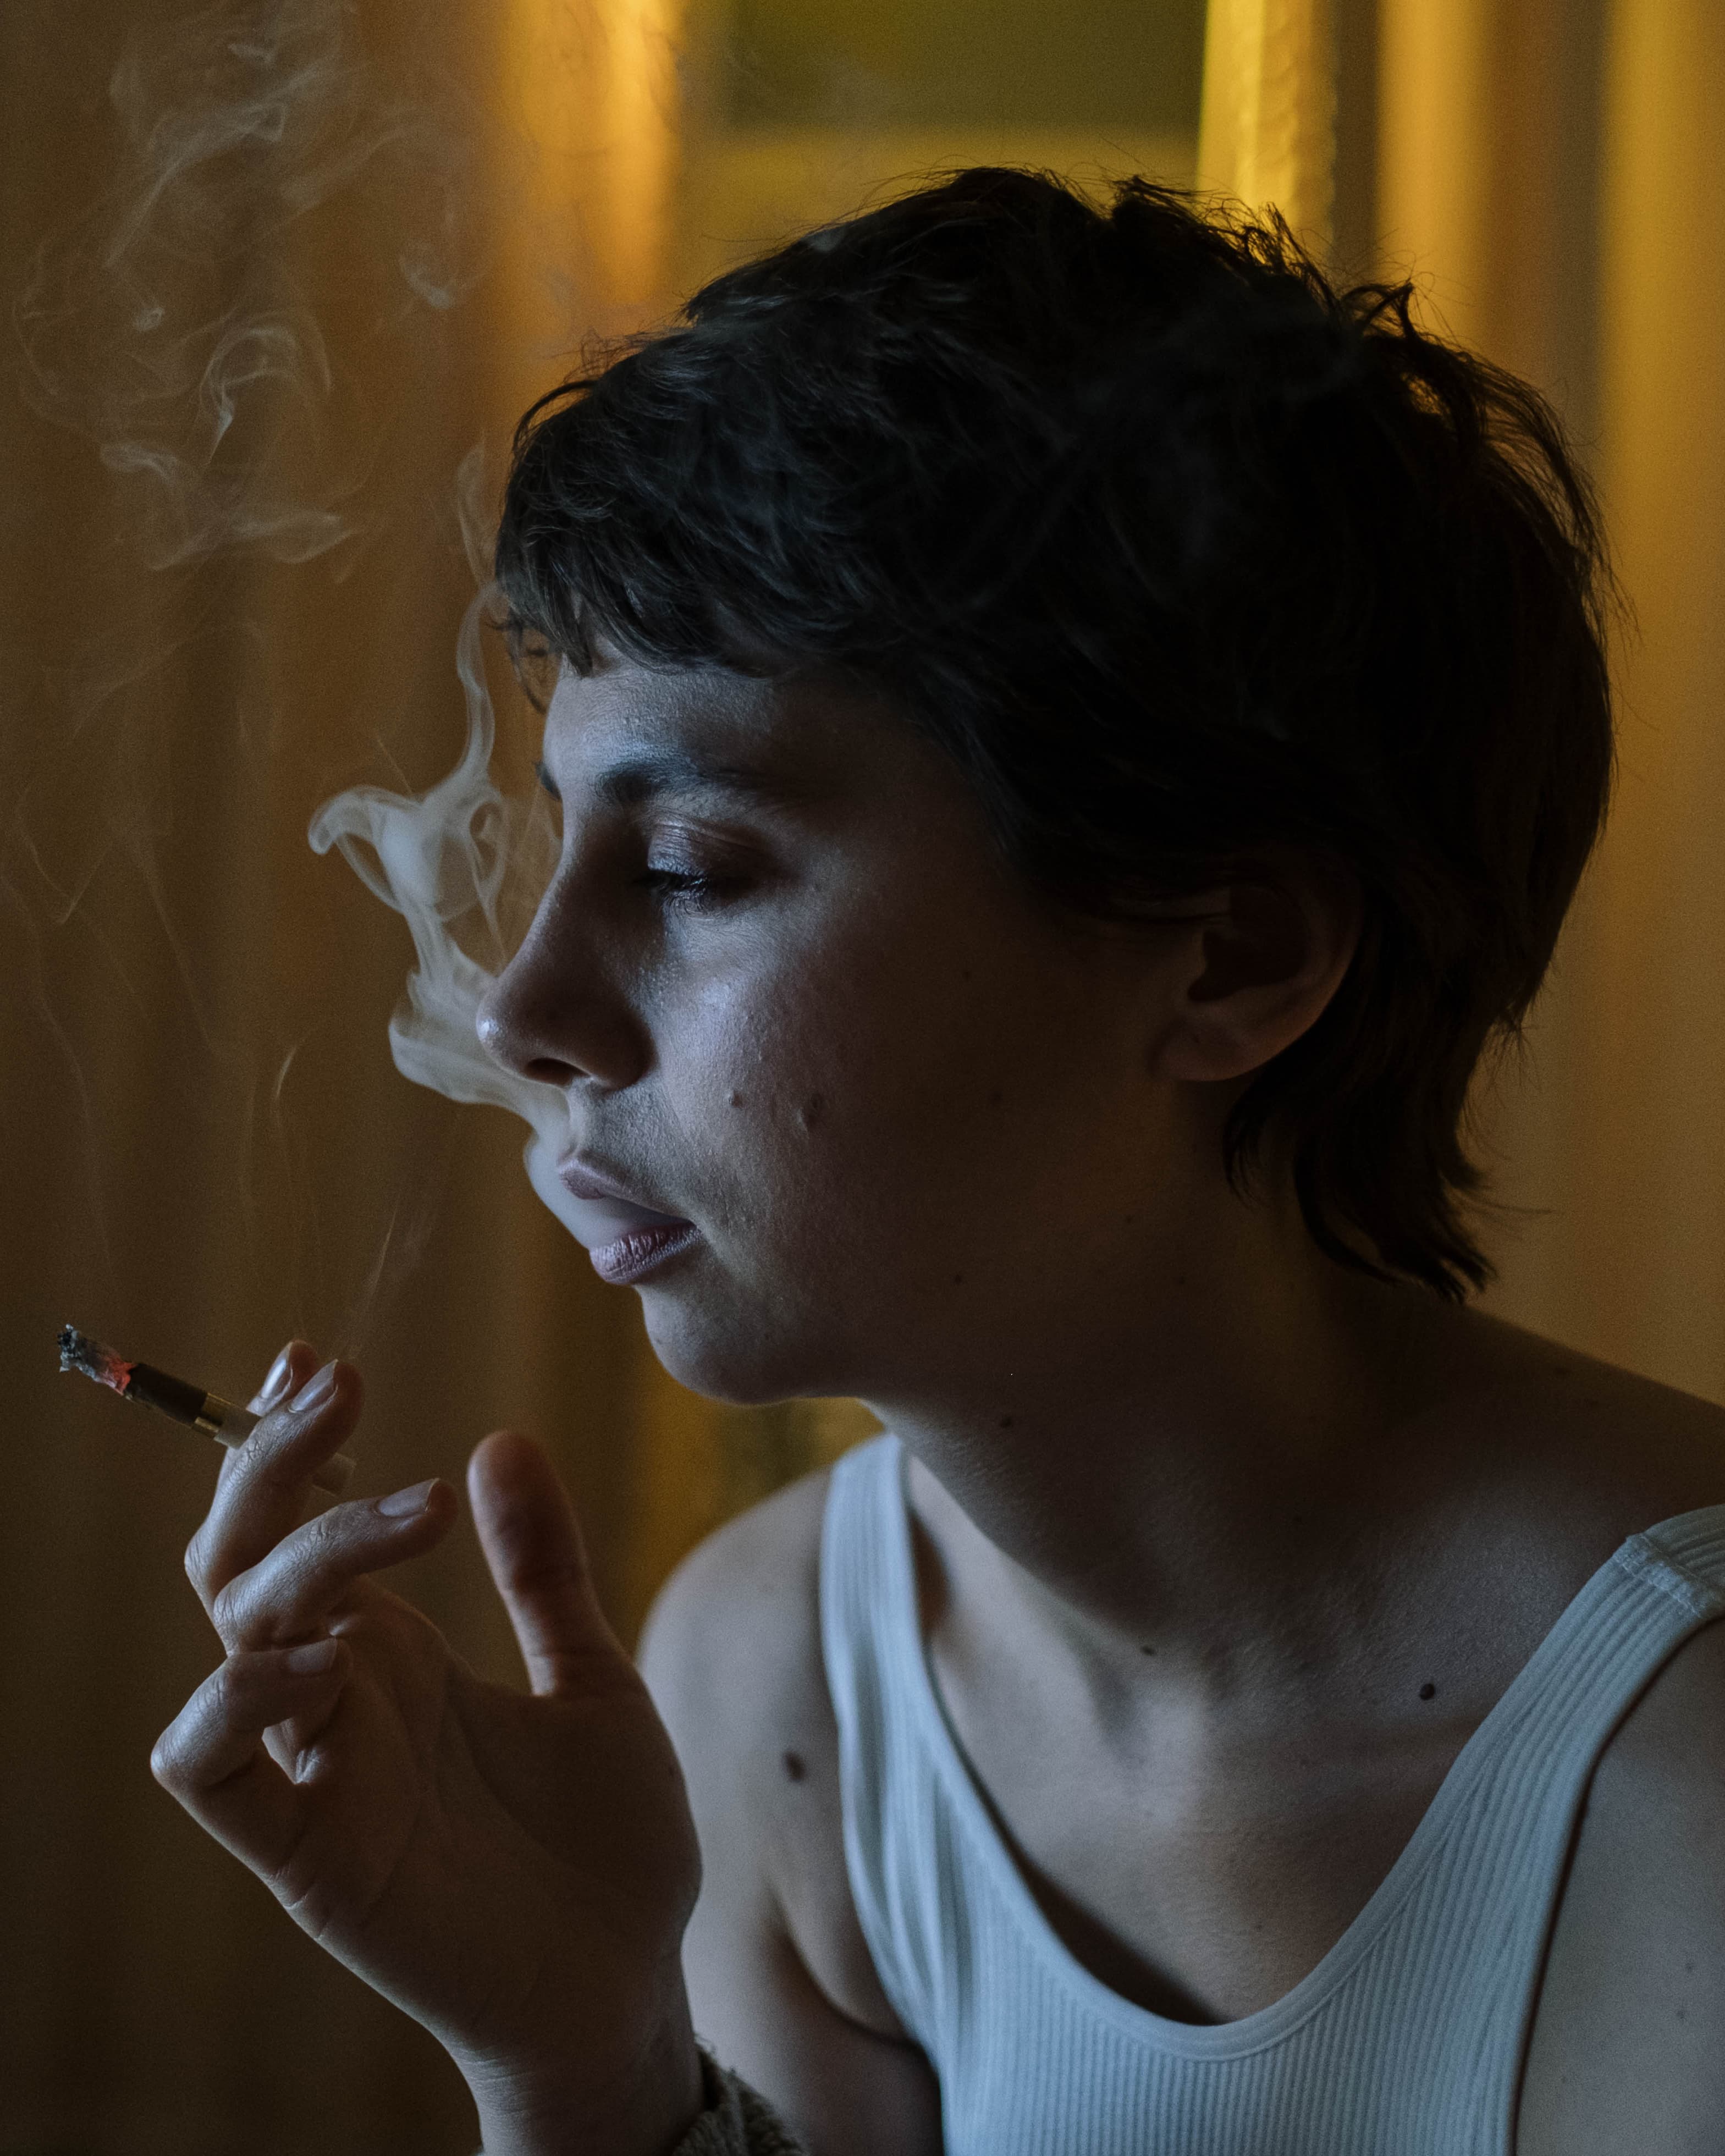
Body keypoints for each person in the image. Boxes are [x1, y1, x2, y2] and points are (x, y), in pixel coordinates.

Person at [154, 170, 1725, 2156]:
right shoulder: (778, 1675)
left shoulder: (1685, 1759)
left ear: (1228, 955)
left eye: (694, 867)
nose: (523, 1004)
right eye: (559, 846)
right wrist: (585, 2073)